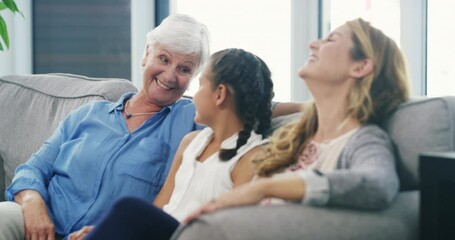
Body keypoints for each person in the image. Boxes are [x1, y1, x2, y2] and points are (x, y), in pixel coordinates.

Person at [0, 14, 298, 240]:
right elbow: (33, 168)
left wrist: (322, 104)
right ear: (146, 54)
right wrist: (32, 201)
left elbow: (249, 102)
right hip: (39, 223)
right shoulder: (89, 113)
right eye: (163, 59)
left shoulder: (190, 118)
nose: (170, 76)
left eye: (184, 69)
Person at [185, 18, 411, 225]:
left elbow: (378, 185)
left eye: (331, 39)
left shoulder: (364, 139)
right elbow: (255, 106)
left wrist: (265, 188)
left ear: (360, 66)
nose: (313, 44)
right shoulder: (294, 135)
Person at [67, 48, 275, 240]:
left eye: (201, 85)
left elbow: (235, 231)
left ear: (220, 94)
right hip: (163, 234)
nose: (195, 95)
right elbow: (159, 209)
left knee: (128, 208)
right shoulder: (192, 142)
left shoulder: (251, 158)